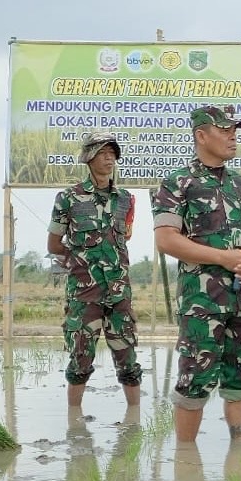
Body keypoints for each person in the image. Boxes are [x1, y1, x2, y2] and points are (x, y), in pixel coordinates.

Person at [152, 104, 241, 443]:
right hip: (202, 303)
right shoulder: (178, 183)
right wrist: (225, 258)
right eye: (225, 130)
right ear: (201, 135)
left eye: (236, 130)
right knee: (194, 380)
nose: (234, 136)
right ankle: (186, 461)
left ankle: (240, 456)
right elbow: (166, 239)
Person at [48, 131, 142, 407]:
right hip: (84, 294)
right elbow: (54, 244)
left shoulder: (125, 199)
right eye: (103, 152)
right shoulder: (68, 198)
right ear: (88, 157)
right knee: (80, 358)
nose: (109, 157)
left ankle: (134, 422)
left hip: (119, 294)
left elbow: (124, 239)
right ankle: (73, 421)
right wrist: (79, 259)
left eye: (112, 152)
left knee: (128, 359)